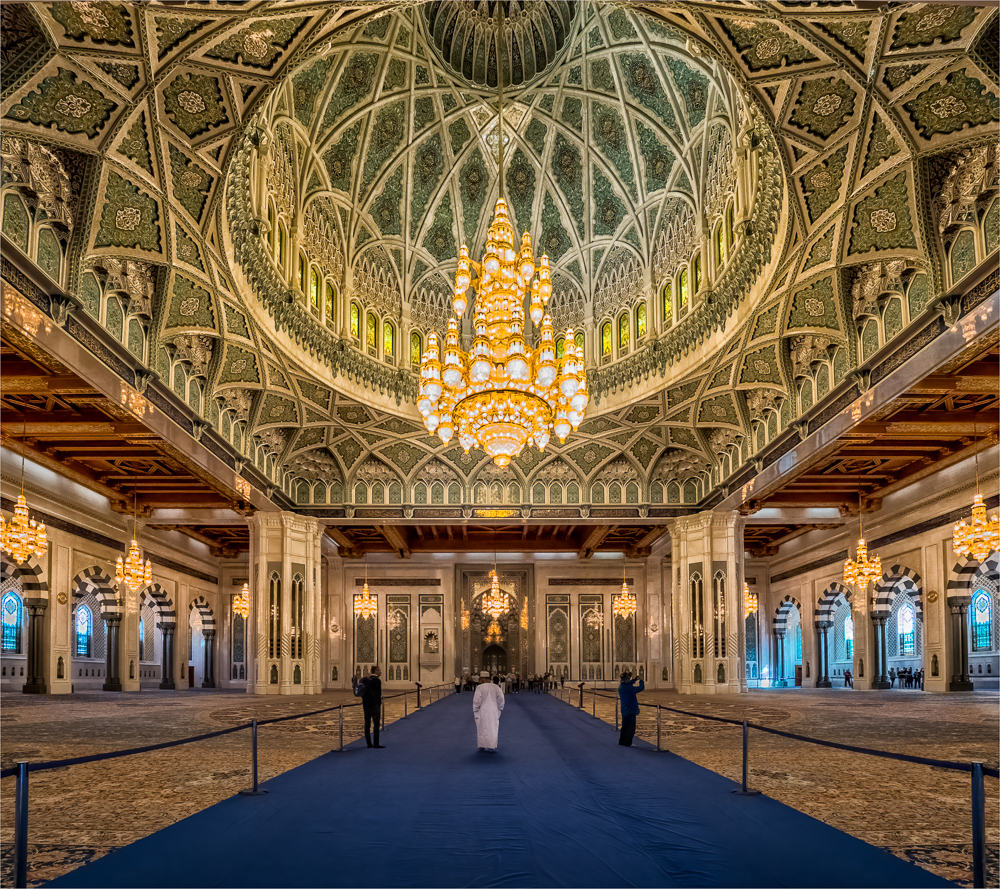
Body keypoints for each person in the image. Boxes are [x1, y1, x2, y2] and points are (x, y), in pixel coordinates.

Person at [473, 673, 505, 752]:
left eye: (481, 679)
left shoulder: (480, 687)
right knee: (493, 728)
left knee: (481, 727)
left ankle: (482, 745)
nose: (480, 680)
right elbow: (501, 699)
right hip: (493, 710)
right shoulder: (496, 687)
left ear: (484, 679)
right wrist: (499, 708)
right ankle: (491, 746)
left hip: (482, 710)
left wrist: (475, 709)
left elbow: (477, 700)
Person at [618, 670, 644, 746]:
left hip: (624, 709)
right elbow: (640, 688)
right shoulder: (628, 688)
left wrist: (634, 679)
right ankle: (627, 743)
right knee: (631, 728)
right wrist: (641, 680)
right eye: (628, 678)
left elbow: (628, 683)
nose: (629, 680)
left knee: (624, 727)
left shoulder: (622, 686)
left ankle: (622, 741)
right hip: (630, 710)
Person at [360, 666, 384, 748]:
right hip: (374, 706)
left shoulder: (366, 680)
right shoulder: (377, 681)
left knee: (367, 724)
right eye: (379, 670)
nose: (380, 671)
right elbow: (378, 694)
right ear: (376, 671)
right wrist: (378, 704)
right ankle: (376, 743)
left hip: (366, 705)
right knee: (376, 725)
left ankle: (369, 744)